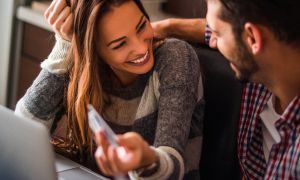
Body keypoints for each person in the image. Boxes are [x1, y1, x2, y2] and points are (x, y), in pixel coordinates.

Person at [15, 0, 204, 179]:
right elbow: (22, 134)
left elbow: (173, 164)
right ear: (94, 51)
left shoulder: (175, 58)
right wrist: (65, 46)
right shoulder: (87, 68)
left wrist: (144, 160)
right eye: (120, 44)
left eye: (141, 26)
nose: (140, 48)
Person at [155, 0, 300, 179]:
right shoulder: (276, 51)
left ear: (253, 38)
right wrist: (168, 27)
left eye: (216, 33)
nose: (212, 41)